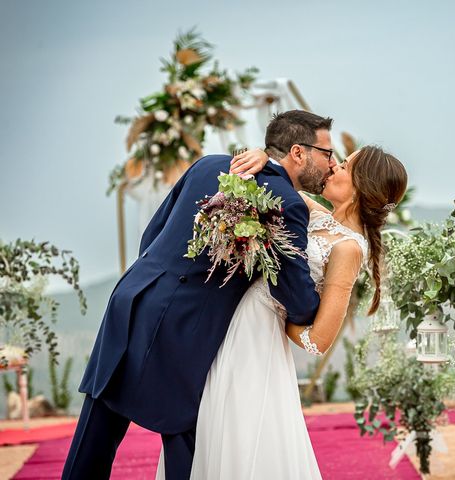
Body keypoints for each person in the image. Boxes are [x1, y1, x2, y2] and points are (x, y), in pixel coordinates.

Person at [61, 110, 336, 480]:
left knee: (96, 431)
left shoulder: (210, 165)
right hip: (185, 328)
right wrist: (321, 303)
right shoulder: (286, 203)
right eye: (327, 153)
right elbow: (294, 295)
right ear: (299, 153)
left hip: (132, 297)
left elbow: (153, 233)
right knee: (189, 444)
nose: (331, 163)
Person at [158, 145, 408, 479]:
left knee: (243, 436)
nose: (333, 167)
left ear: (362, 186)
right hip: (229, 326)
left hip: (259, 343)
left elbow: (318, 341)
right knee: (215, 431)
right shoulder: (317, 215)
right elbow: (281, 182)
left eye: (345, 165)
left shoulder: (348, 249)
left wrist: (276, 311)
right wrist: (264, 158)